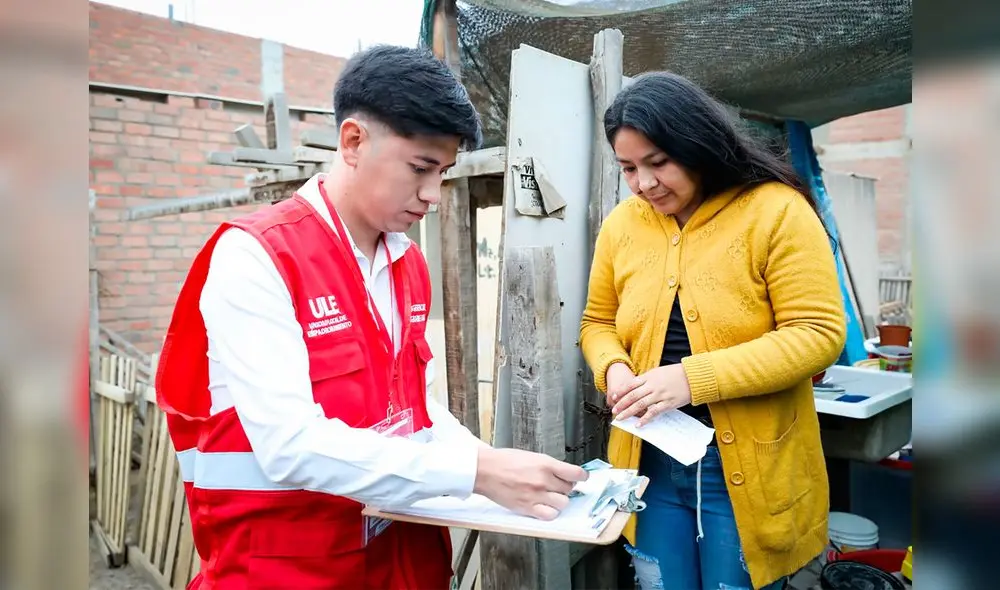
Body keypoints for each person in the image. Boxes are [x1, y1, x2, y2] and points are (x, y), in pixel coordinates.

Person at [156, 44, 587, 590]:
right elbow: (290, 444)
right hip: (288, 569)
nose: (433, 194)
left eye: (444, 171)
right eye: (420, 168)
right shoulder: (257, 256)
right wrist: (477, 473)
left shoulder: (406, 261)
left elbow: (410, 406)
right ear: (354, 141)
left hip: (398, 562)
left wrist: (487, 458)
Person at [579, 71, 847, 590]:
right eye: (629, 168)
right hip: (650, 457)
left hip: (747, 465)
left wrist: (690, 379)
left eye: (659, 162)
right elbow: (598, 322)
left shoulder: (774, 210)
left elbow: (817, 333)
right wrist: (612, 368)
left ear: (699, 144)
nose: (644, 183)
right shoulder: (623, 225)